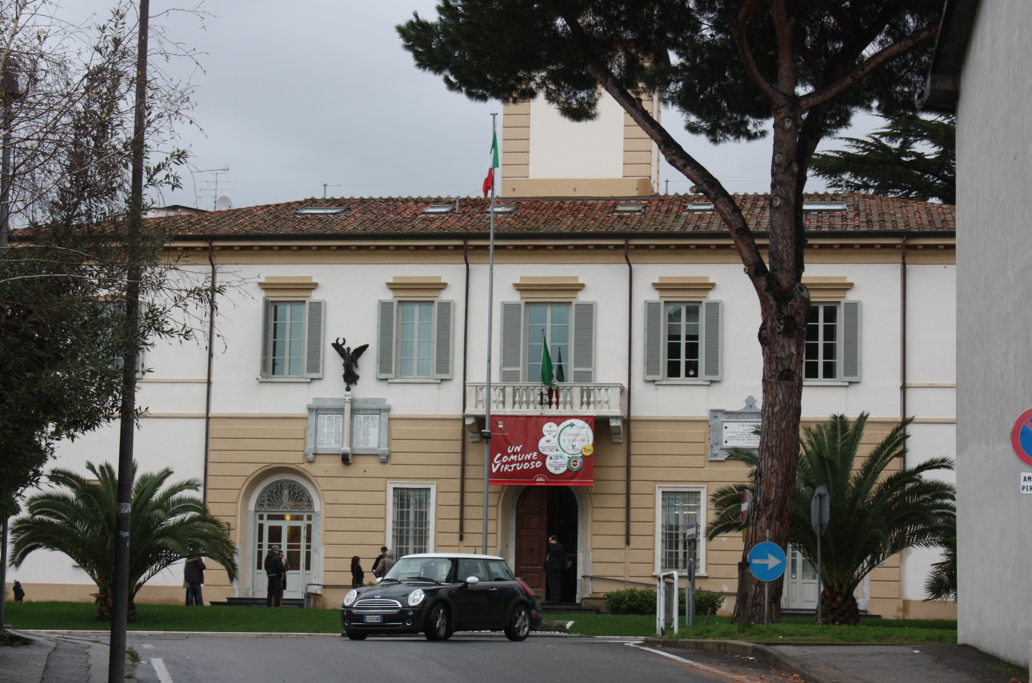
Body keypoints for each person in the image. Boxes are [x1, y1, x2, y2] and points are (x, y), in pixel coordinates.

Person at [543, 534, 565, 604]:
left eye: (550, 540)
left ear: (554, 540)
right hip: (550, 568)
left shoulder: (559, 547)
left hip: (555, 569)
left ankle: (556, 598)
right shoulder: (551, 547)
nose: (549, 542)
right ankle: (552, 597)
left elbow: (555, 552)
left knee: (555, 584)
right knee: (551, 584)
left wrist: (552, 545)